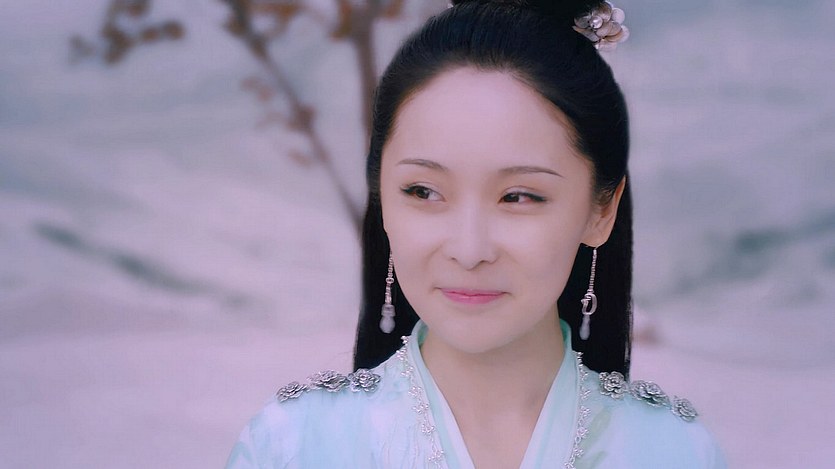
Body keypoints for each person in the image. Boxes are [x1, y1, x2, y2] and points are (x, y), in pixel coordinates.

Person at [225, 1, 726, 467]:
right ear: (382, 199)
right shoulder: (292, 446)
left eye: (519, 196)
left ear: (602, 210)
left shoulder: (672, 451)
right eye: (423, 191)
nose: (469, 251)